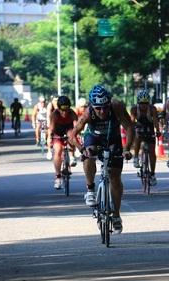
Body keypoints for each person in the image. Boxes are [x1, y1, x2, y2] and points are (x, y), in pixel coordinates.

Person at [69, 84, 134, 234]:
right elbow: (72, 134)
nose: (102, 111)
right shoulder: (88, 113)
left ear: (109, 103)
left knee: (115, 177)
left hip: (113, 139)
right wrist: (81, 150)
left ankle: (116, 215)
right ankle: (90, 189)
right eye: (98, 108)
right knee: (89, 153)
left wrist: (126, 149)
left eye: (105, 107)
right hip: (94, 138)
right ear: (92, 106)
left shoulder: (116, 106)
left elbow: (129, 127)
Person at [131, 89, 160, 186]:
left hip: (149, 128)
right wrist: (131, 130)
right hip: (139, 127)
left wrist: (158, 131)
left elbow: (155, 121)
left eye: (146, 103)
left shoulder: (152, 109)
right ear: (138, 102)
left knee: (152, 152)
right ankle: (135, 157)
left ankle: (152, 174)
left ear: (149, 103)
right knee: (137, 135)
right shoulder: (134, 109)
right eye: (141, 103)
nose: (144, 105)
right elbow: (131, 122)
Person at [49, 95, 78, 189]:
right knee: (58, 150)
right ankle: (58, 177)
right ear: (58, 108)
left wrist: (77, 135)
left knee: (71, 135)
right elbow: (52, 128)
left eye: (66, 109)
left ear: (69, 107)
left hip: (68, 129)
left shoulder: (72, 113)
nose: (64, 112)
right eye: (62, 109)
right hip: (58, 131)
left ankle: (72, 155)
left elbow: (76, 126)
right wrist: (50, 137)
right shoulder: (55, 114)